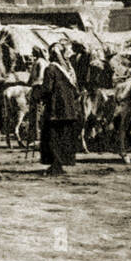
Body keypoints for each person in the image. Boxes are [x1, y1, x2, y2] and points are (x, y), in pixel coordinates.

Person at [38, 42, 82, 176]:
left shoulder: (50, 69)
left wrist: (37, 96)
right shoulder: (69, 69)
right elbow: (76, 91)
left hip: (55, 110)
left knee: (53, 137)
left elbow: (47, 89)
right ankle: (60, 164)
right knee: (65, 137)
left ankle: (55, 166)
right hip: (70, 110)